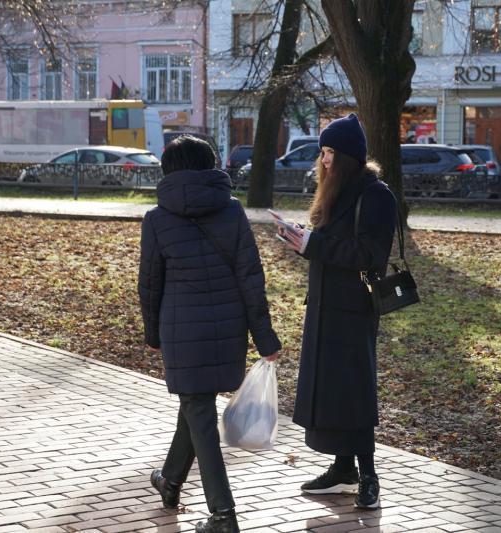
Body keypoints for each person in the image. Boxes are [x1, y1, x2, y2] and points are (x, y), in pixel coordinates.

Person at [139, 135, 281, 533]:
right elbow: (251, 277)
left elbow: (149, 284)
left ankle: (223, 515)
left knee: (198, 410)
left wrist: (153, 334)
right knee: (196, 404)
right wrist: (265, 338)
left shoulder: (156, 218)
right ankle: (169, 481)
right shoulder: (232, 212)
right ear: (210, 165)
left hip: (181, 331)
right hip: (227, 328)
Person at [273, 114, 396, 509]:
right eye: (322, 152)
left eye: (329, 153)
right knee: (333, 393)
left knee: (355, 393)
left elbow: (369, 255)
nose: (322, 160)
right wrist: (300, 236)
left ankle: (369, 476)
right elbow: (329, 245)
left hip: (354, 309)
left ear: (347, 156)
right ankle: (343, 470)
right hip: (325, 308)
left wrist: (312, 245)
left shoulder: (376, 196)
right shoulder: (336, 191)